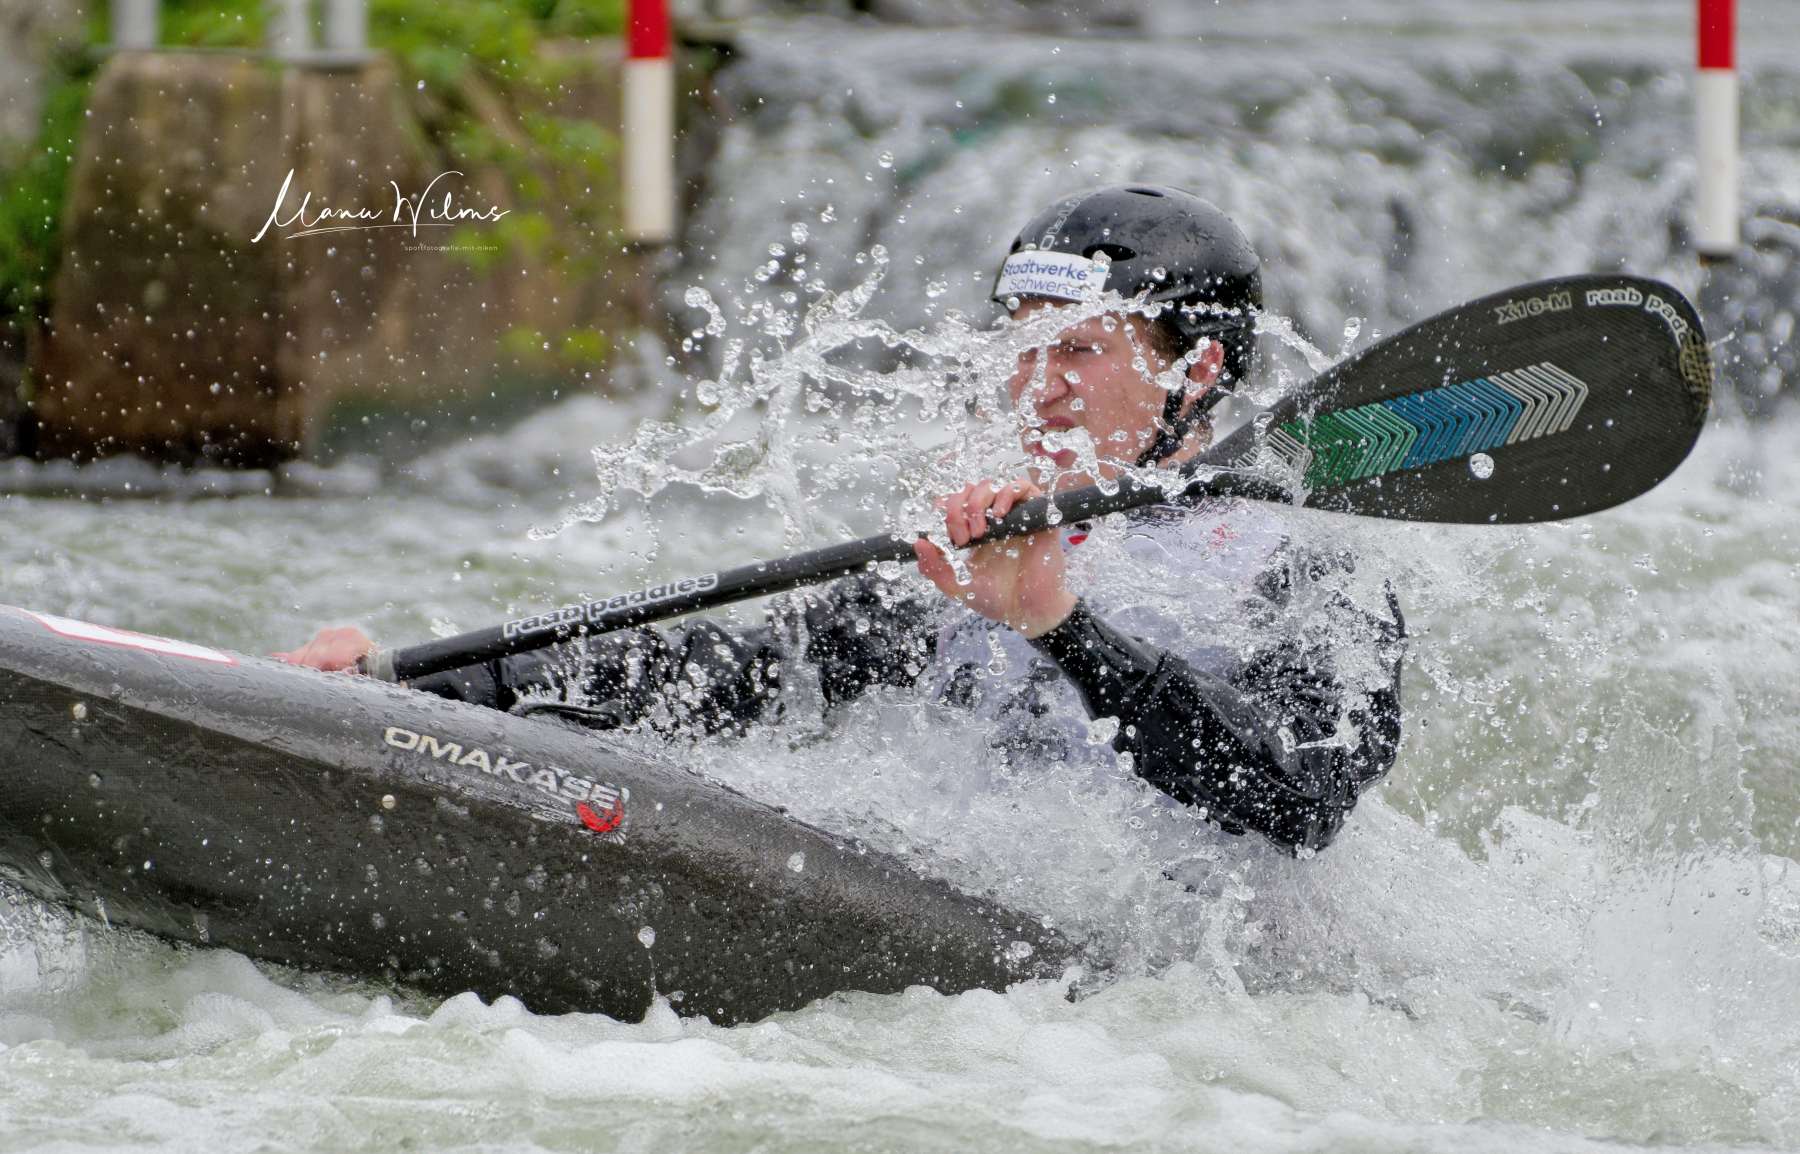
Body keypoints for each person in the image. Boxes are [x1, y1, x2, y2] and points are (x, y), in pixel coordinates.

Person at [277, 184, 1404, 854]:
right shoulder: (976, 543)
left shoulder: (1312, 569)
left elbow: (1303, 802)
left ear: (1196, 371)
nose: (1036, 386)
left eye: (1076, 350)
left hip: (1188, 1005)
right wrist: (413, 684)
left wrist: (1062, 629)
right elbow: (724, 674)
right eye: (1019, 346)